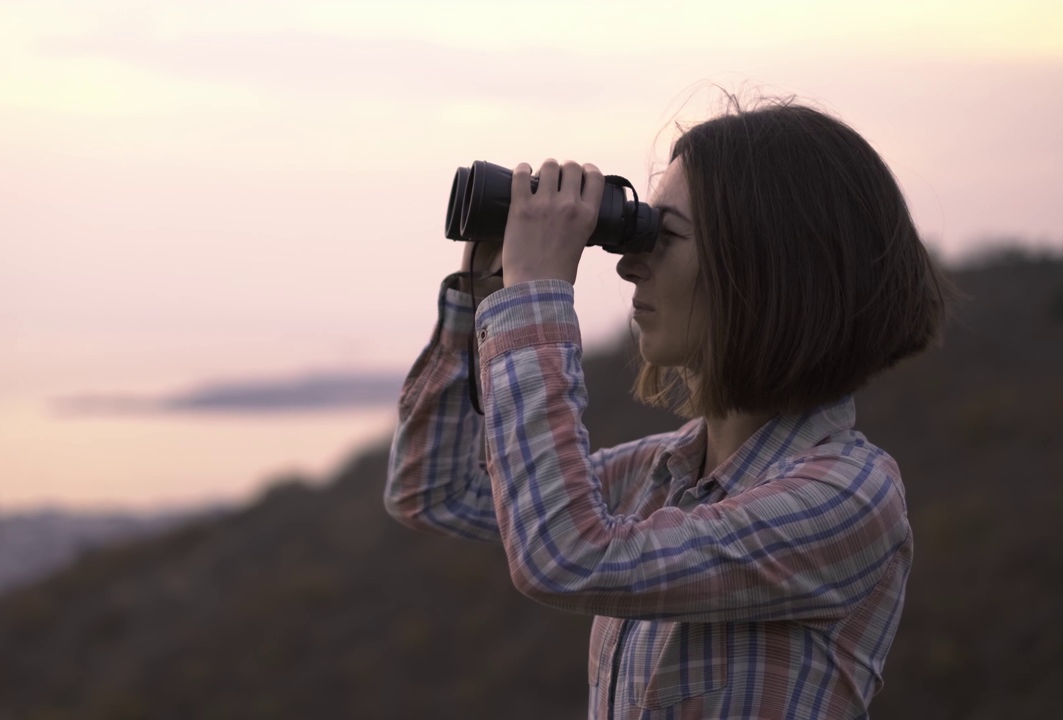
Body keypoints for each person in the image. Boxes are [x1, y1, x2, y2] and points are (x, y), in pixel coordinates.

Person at [383, 98, 950, 719]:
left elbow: (565, 555)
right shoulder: (662, 473)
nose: (629, 264)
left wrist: (537, 294)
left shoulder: (849, 497)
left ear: (765, 265)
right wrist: (483, 291)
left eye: (665, 236)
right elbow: (433, 490)